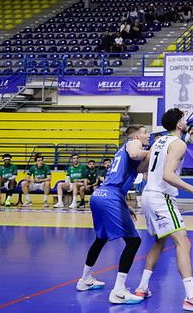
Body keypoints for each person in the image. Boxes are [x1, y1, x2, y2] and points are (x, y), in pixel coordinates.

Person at [135, 108, 193, 312]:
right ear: (179, 125)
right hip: (161, 197)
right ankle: (191, 298)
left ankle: (142, 288)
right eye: (184, 119)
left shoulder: (158, 141)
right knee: (184, 242)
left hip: (148, 194)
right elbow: (168, 175)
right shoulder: (179, 143)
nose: (186, 121)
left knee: (160, 241)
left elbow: (140, 168)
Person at [79, 125, 150, 304]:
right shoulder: (133, 143)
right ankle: (118, 291)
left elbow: (139, 167)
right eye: (145, 132)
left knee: (100, 238)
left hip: (100, 195)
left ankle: (85, 279)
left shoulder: (122, 152)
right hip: (110, 197)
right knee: (134, 241)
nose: (148, 135)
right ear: (136, 135)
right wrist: (151, 151)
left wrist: (126, 205)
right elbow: (136, 154)